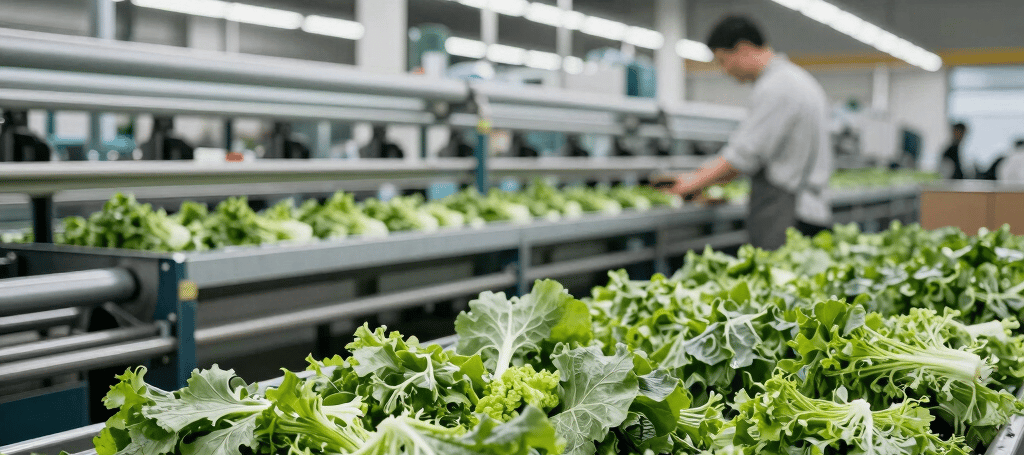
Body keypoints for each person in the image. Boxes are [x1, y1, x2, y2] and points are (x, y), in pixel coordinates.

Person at [659, 16, 833, 250]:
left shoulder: (777, 87)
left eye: (723, 60)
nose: (725, 70)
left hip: (789, 214)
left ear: (743, 49)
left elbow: (744, 156)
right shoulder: (800, 80)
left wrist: (692, 182)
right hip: (810, 210)